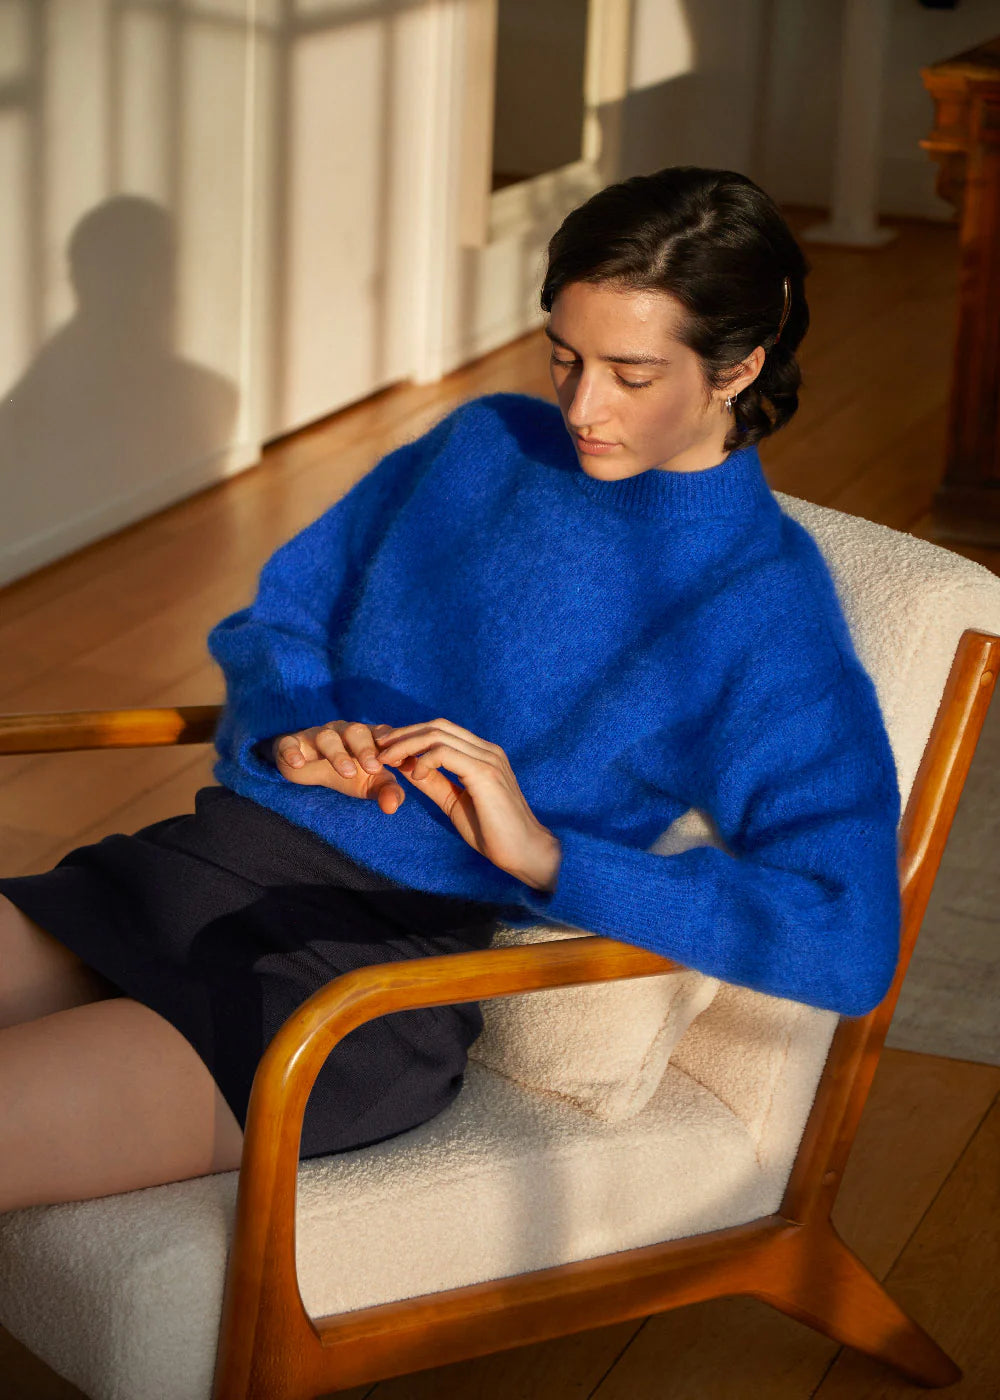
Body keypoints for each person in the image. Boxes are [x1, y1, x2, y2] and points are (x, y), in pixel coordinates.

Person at [0, 166, 901, 1214]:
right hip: (196, 865)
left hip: (352, 980)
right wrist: (297, 724)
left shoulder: (761, 607)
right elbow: (280, 619)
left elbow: (847, 938)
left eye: (631, 373)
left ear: (737, 367)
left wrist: (551, 857)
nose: (583, 407)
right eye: (564, 356)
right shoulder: (483, 444)